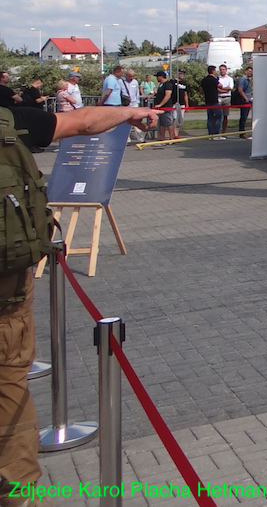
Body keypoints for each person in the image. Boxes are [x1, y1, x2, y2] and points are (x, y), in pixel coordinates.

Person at [0, 102, 158, 495]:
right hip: (6, 289)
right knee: (7, 383)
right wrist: (130, 113)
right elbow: (83, 122)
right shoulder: (7, 118)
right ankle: (18, 492)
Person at [152, 70, 178, 141]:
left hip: (166, 107)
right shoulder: (161, 85)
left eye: (157, 77)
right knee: (161, 123)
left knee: (168, 123)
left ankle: (172, 138)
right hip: (160, 108)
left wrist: (160, 104)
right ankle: (161, 138)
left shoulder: (168, 84)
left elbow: (167, 95)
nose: (157, 78)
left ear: (161, 77)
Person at [200, 65, 221, 137]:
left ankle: (210, 134)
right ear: (213, 71)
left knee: (209, 118)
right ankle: (216, 134)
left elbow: (201, 90)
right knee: (219, 117)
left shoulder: (204, 80)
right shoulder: (213, 79)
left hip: (207, 100)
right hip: (214, 100)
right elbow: (220, 85)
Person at [233, 66, 253, 138]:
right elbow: (240, 89)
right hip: (244, 101)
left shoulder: (247, 80)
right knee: (243, 117)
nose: (251, 73)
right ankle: (242, 132)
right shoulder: (243, 80)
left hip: (248, 100)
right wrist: (245, 98)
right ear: (245, 71)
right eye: (250, 71)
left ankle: (243, 132)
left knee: (245, 116)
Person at [216, 64, 233, 135]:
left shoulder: (229, 79)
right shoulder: (217, 79)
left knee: (225, 115)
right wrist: (223, 89)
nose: (222, 71)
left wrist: (221, 88)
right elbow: (216, 88)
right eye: (221, 69)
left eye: (223, 69)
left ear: (226, 70)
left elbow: (230, 87)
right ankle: (216, 131)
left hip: (227, 97)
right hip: (219, 97)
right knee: (217, 115)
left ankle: (224, 131)